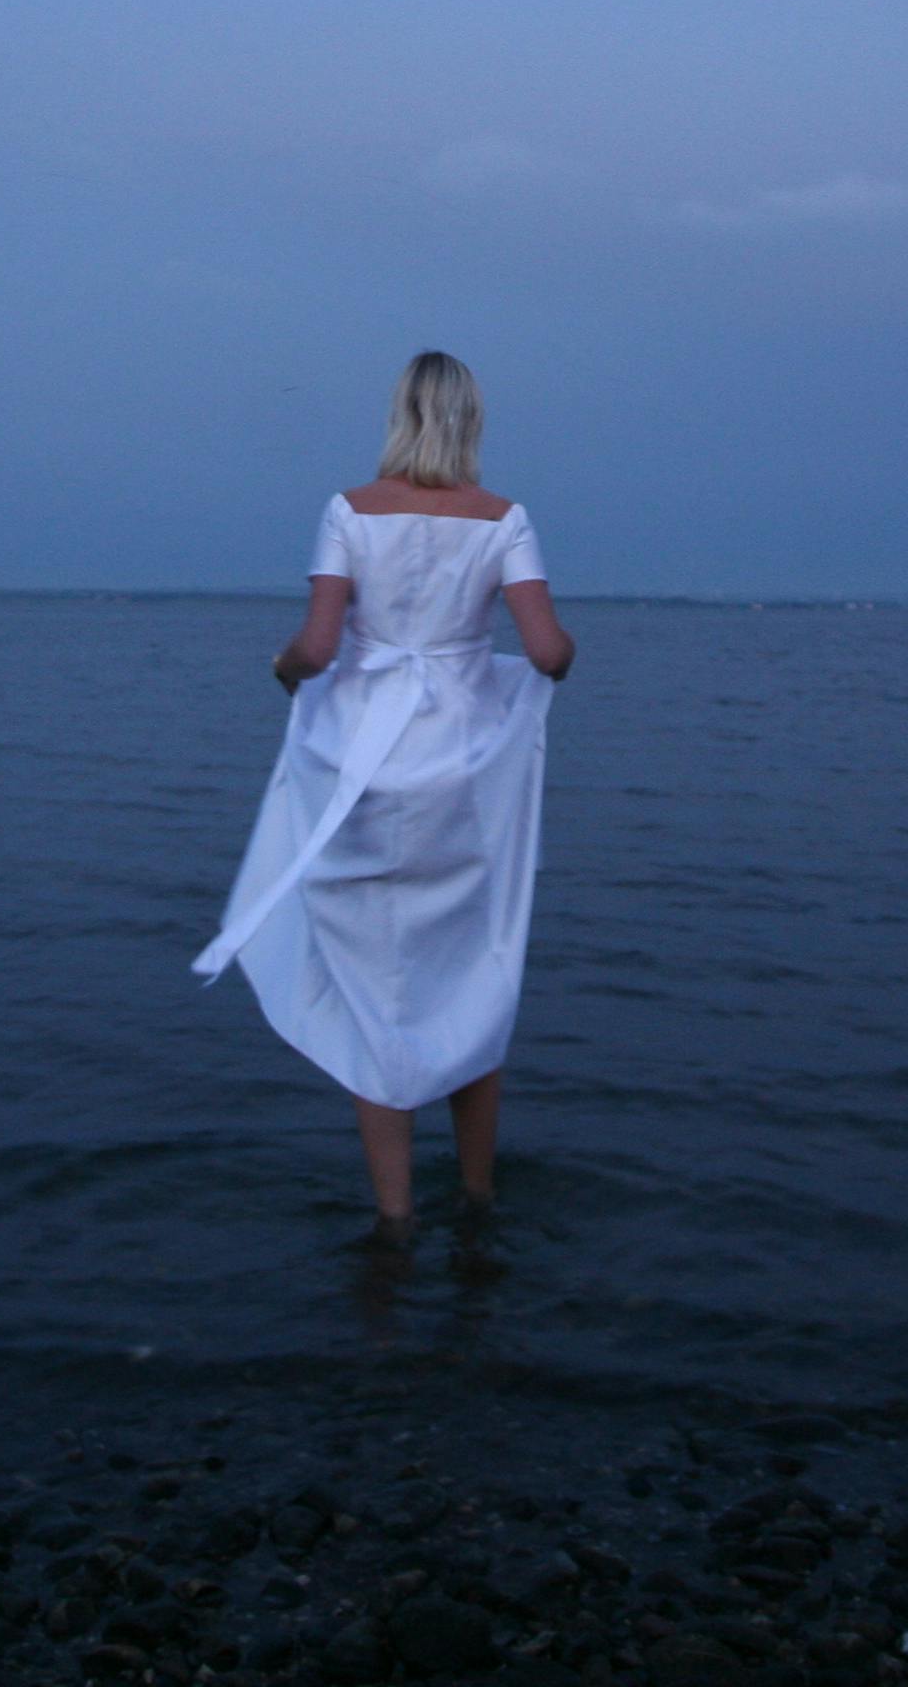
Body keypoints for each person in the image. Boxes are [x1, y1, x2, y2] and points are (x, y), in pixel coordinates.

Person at [195, 350, 575, 1251]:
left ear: (398, 416)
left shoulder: (348, 511)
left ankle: (395, 1221)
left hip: (361, 778)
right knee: (475, 974)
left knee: (376, 991)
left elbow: (319, 649)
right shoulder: (504, 519)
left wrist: (282, 670)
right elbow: (551, 653)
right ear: (472, 420)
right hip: (467, 783)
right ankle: (478, 1204)